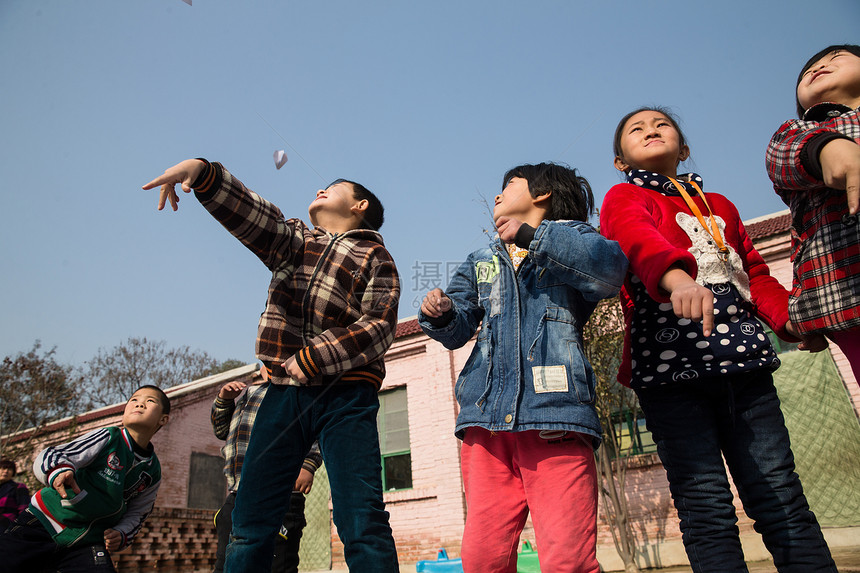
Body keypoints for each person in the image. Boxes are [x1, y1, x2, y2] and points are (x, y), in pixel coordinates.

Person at [600, 106, 836, 572]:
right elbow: (636, 240)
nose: (651, 130)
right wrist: (677, 280)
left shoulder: (722, 206)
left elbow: (755, 275)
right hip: (670, 374)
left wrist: (790, 322)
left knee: (780, 493)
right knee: (705, 503)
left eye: (661, 125)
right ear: (620, 161)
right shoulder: (623, 196)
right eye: (636, 129)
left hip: (746, 368)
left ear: (683, 149)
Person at [143, 159, 401, 572]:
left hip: (347, 396)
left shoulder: (376, 256)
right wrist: (205, 174)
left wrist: (313, 357)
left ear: (360, 205)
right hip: (283, 396)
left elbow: (379, 326)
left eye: (334, 186)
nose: (321, 189)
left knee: (362, 519)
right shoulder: (295, 240)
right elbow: (254, 215)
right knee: (250, 520)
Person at [418, 163, 627, 573]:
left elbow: (609, 272)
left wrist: (533, 237)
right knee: (482, 560)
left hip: (557, 417)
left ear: (542, 194)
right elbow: (458, 327)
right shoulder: (482, 259)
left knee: (568, 559)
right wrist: (441, 313)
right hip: (485, 422)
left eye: (508, 185)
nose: (497, 196)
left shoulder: (578, 240)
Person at [765, 44, 860, 382]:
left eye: (837, 58)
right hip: (847, 298)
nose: (819, 67)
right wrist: (828, 149)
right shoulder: (796, 132)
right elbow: (782, 159)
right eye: (808, 70)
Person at [0, 385, 169, 572]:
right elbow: (52, 455)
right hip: (43, 523)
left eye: (150, 401)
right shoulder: (108, 437)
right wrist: (59, 471)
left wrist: (122, 533)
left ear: (163, 419)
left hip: (87, 543)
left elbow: (138, 513)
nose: (140, 404)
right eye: (134, 400)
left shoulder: (153, 471)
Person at [211, 378, 323, 573]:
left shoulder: (297, 390)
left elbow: (313, 426)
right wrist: (224, 400)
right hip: (239, 492)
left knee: (278, 562)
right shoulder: (248, 393)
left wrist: (308, 464)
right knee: (227, 559)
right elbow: (221, 431)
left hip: (281, 493)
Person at [0, 459, 30, 534]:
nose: (6, 471)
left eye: (9, 469)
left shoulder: (18, 487)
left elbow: (24, 509)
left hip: (8, 525)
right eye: (3, 468)